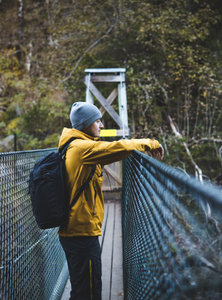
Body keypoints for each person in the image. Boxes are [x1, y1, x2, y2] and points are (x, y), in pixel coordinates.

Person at [58, 102, 163, 299]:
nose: (102, 125)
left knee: (84, 288)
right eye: (97, 121)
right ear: (85, 124)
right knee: (88, 292)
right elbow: (119, 147)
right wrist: (150, 142)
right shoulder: (82, 148)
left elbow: (113, 151)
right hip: (80, 234)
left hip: (77, 231)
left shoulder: (78, 146)